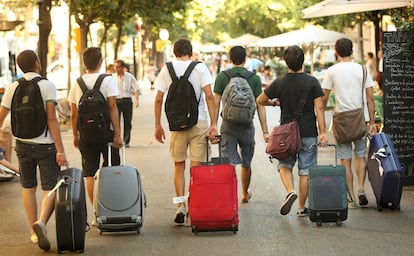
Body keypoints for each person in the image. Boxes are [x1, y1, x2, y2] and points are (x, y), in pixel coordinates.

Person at [0, 49, 67, 250]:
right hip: (45, 145)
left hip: (21, 144)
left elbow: (1, 115)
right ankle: (42, 222)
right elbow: (52, 119)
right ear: (37, 63)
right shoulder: (47, 85)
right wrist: (60, 150)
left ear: (20, 66)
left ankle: (33, 232)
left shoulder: (13, 87)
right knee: (51, 187)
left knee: (28, 187)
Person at [257, 45, 328, 216]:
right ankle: (301, 208)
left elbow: (260, 100)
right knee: (306, 171)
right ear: (303, 61)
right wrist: (323, 132)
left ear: (285, 61)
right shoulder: (312, 82)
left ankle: (290, 191)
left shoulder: (280, 82)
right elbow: (319, 108)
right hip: (308, 132)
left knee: (284, 164)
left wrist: (274, 103)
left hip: (287, 134)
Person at [154, 38, 218, 224]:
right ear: (191, 52)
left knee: (178, 165)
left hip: (177, 124)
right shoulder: (200, 68)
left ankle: (180, 205)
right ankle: (194, 203)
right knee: (196, 168)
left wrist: (158, 125)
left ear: (174, 52)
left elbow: (158, 99)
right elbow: (208, 96)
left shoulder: (167, 69)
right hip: (199, 123)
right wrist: (214, 123)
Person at [321, 38, 377, 208]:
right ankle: (361, 188)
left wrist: (320, 122)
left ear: (336, 52)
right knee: (360, 156)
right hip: (361, 119)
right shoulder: (362, 69)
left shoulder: (331, 71)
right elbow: (370, 99)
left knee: (345, 160)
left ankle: (351, 198)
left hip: (342, 120)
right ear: (352, 51)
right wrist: (372, 122)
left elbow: (323, 99)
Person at [214, 45, 269, 204]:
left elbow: (215, 103)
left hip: (228, 124)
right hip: (247, 125)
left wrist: (213, 124)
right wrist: (265, 131)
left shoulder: (222, 77)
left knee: (228, 161)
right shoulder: (254, 78)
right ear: (245, 59)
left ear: (230, 59)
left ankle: (229, 194)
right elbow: (260, 105)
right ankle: (244, 193)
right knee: (246, 161)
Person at [68, 47, 122, 208]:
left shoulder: (77, 83)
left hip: (86, 135)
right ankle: (111, 207)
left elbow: (73, 113)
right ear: (100, 62)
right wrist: (117, 134)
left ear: (85, 63)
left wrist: (76, 135)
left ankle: (96, 211)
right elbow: (112, 106)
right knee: (111, 168)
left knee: (89, 173)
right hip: (105, 133)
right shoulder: (107, 80)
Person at [113, 59, 140, 147]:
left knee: (127, 121)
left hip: (127, 100)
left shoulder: (129, 77)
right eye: (115, 67)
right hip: (116, 101)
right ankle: (117, 139)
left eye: (118, 67)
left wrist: (136, 100)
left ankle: (126, 141)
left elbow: (136, 88)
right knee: (116, 121)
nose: (116, 69)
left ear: (123, 67)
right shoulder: (112, 77)